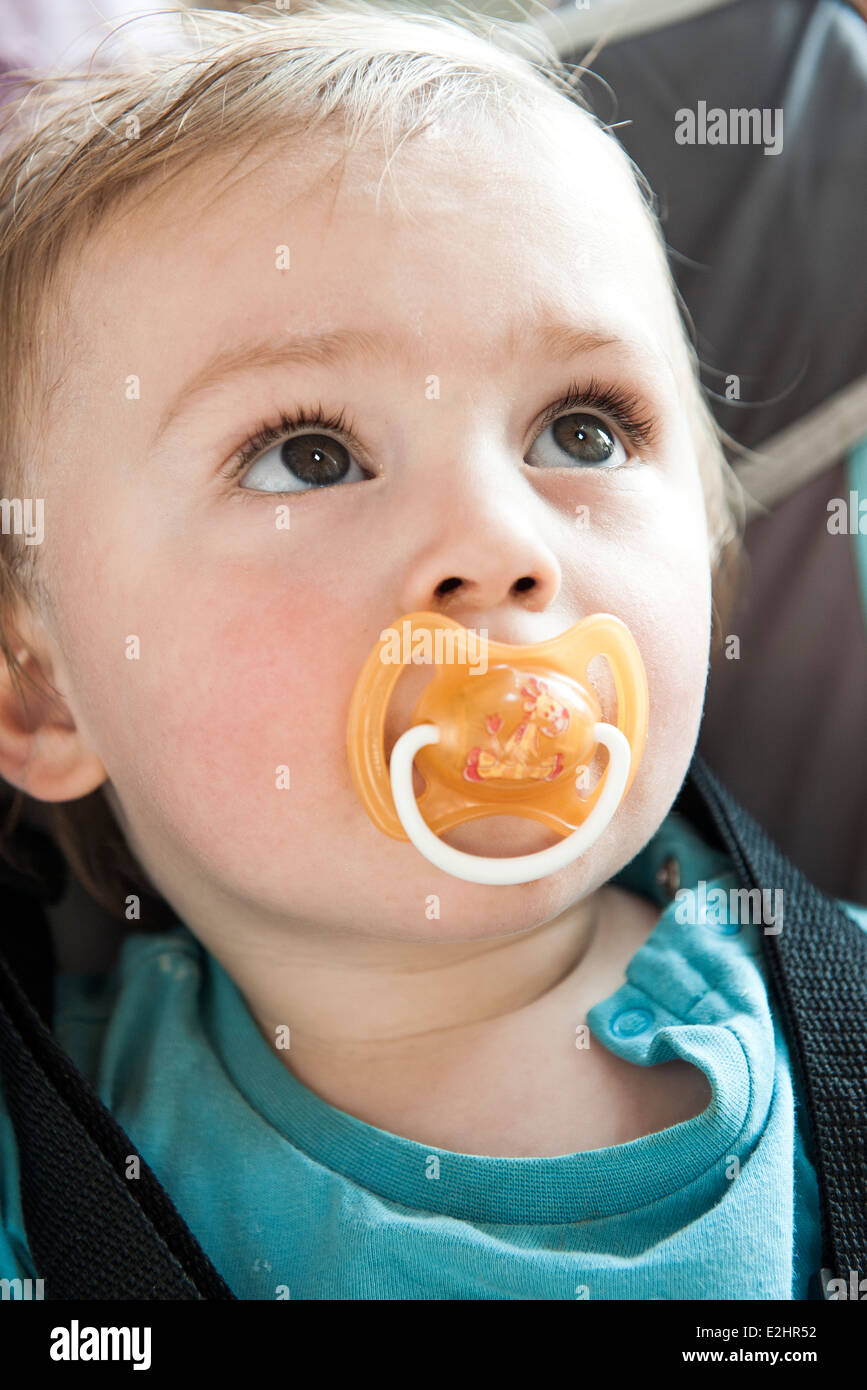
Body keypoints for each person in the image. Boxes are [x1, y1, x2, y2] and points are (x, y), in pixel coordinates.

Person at [0, 0, 863, 1300]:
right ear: (42, 690)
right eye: (310, 454)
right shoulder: (50, 1175)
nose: (500, 540)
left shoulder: (843, 1017)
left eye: (582, 430)